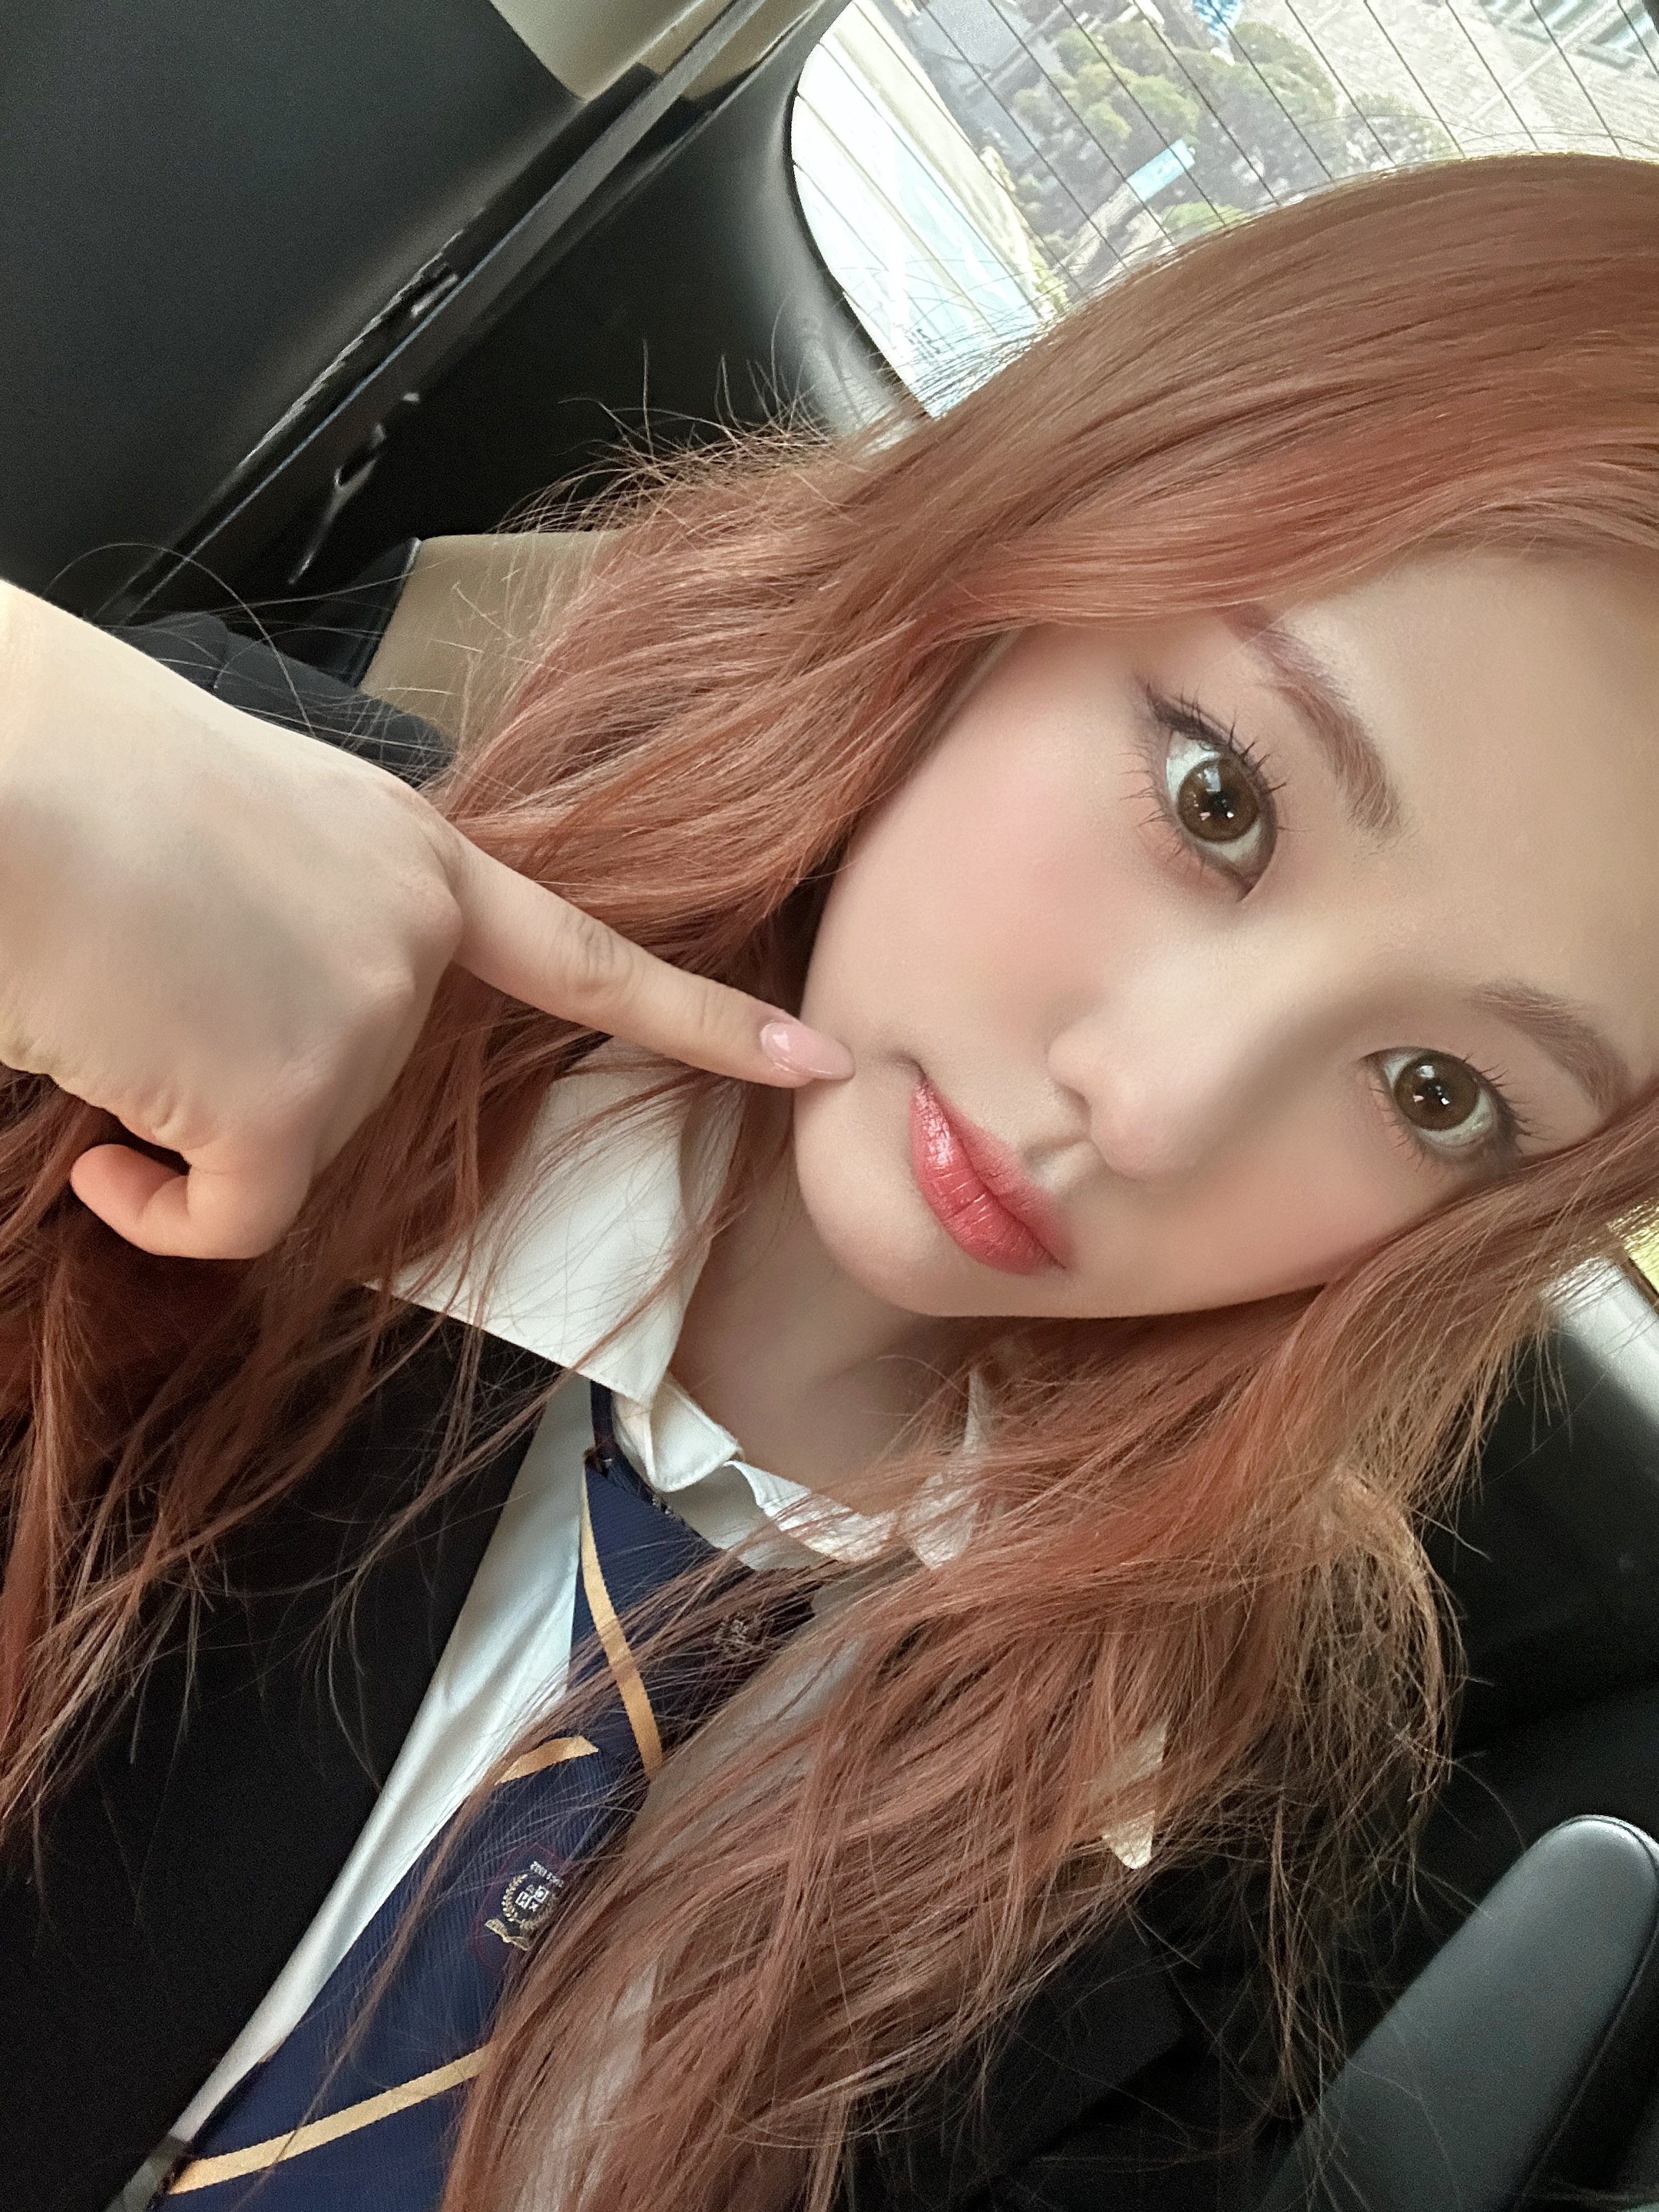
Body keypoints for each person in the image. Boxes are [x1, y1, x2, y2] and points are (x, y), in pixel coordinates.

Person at [5, 147, 1659, 2212]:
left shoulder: (1156, 1886)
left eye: (1436, 1090)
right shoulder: (124, 942)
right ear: (1024, 550)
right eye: (1215, 795)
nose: (1148, 1106)